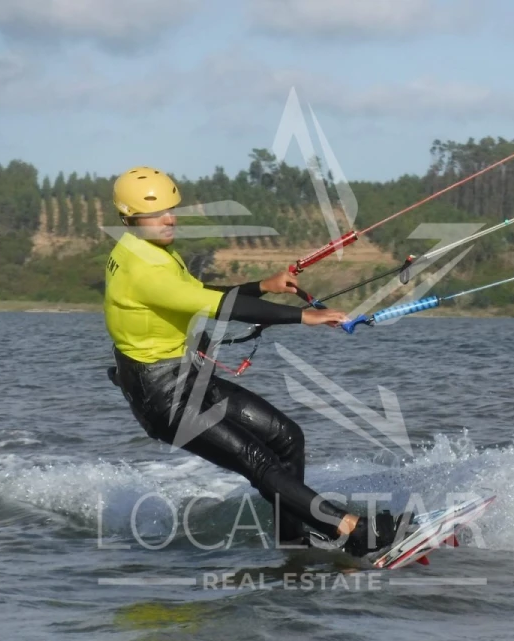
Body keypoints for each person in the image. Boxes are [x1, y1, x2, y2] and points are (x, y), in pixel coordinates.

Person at [104, 166, 410, 556]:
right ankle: (354, 531)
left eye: (171, 210)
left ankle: (293, 543)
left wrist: (262, 286)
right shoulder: (143, 269)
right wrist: (304, 316)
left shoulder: (148, 251)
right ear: (130, 218)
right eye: (155, 214)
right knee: (258, 461)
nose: (168, 220)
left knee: (287, 437)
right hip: (162, 396)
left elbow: (196, 292)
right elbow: (218, 306)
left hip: (187, 378)